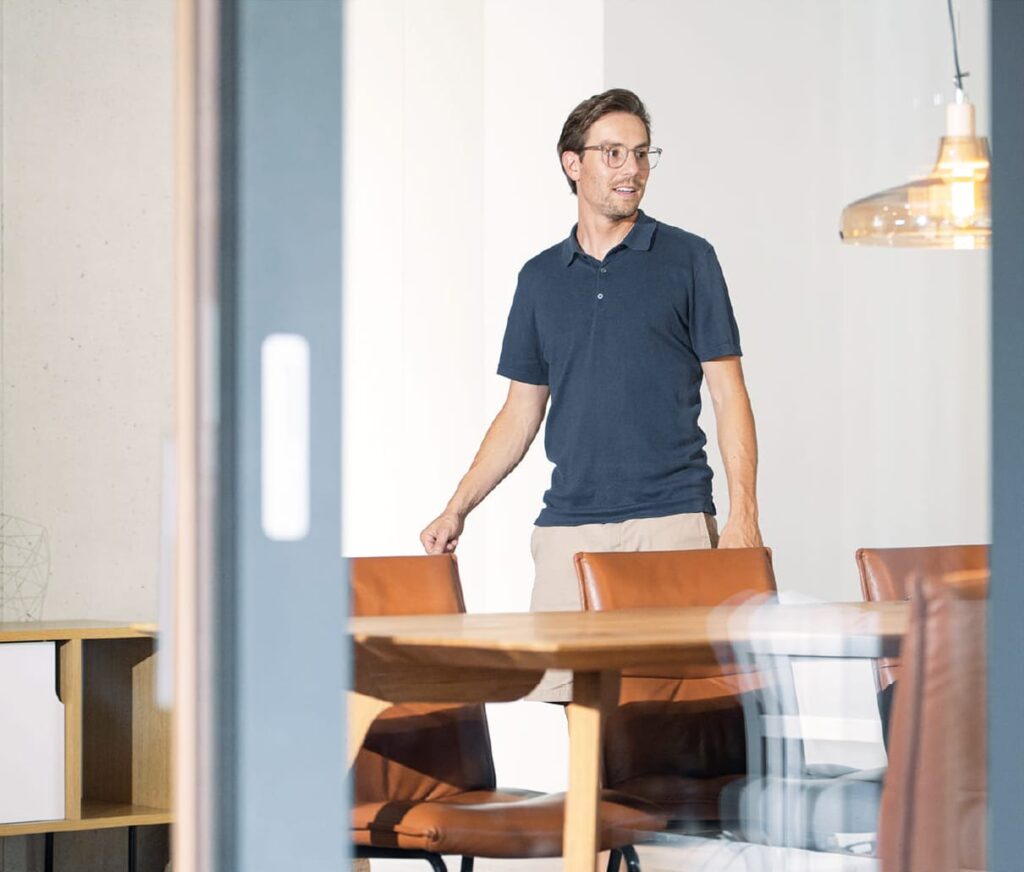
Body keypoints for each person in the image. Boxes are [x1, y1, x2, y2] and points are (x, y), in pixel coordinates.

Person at [420, 88, 762, 698]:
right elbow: (520, 411)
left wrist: (744, 515)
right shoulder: (539, 279)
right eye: (613, 153)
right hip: (568, 532)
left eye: (641, 153)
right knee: (579, 713)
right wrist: (457, 507)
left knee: (673, 711)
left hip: (671, 522)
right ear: (572, 163)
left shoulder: (688, 259)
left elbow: (729, 394)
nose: (632, 169)